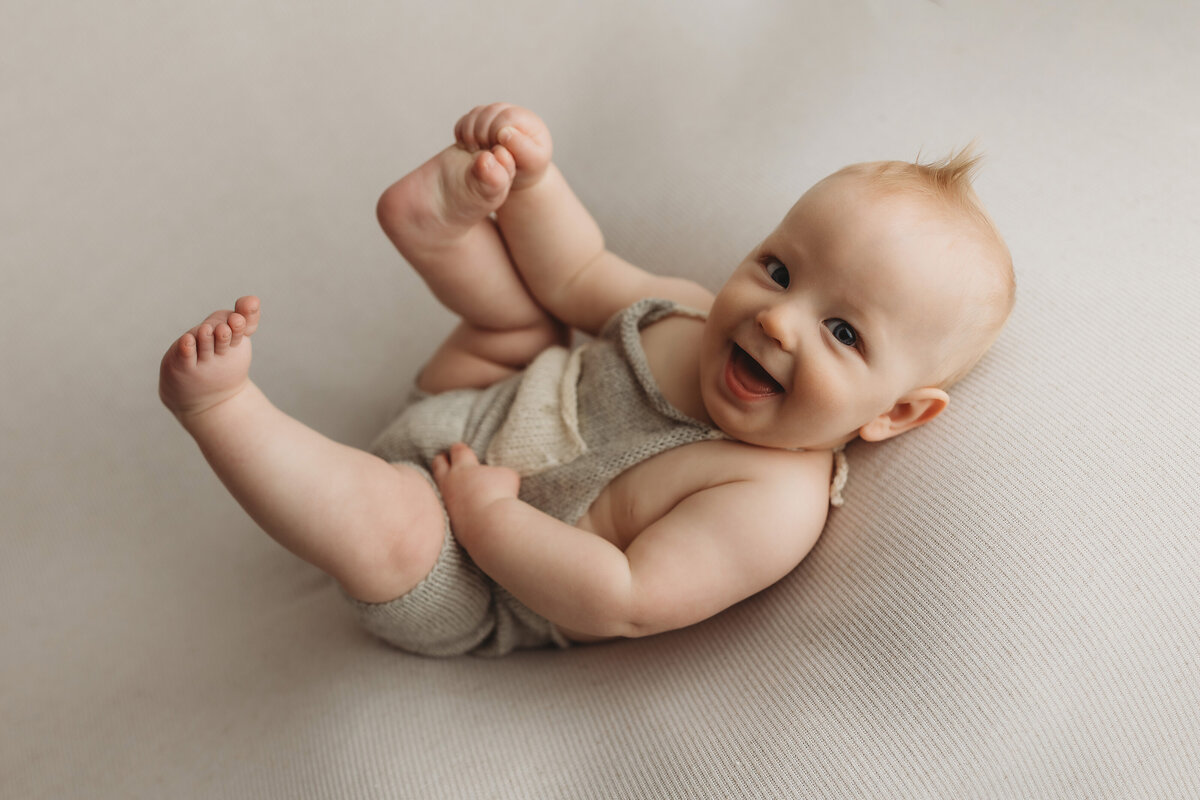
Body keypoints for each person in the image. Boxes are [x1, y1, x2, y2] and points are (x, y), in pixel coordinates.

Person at [158, 103, 1014, 657]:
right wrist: (533, 183)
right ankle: (437, 226)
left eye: (841, 331)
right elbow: (578, 272)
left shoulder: (770, 499)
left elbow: (626, 597)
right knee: (519, 322)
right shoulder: (688, 312)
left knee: (389, 530)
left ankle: (226, 409)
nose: (777, 320)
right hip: (479, 393)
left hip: (468, 565)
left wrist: (487, 521)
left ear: (898, 412)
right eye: (780, 270)